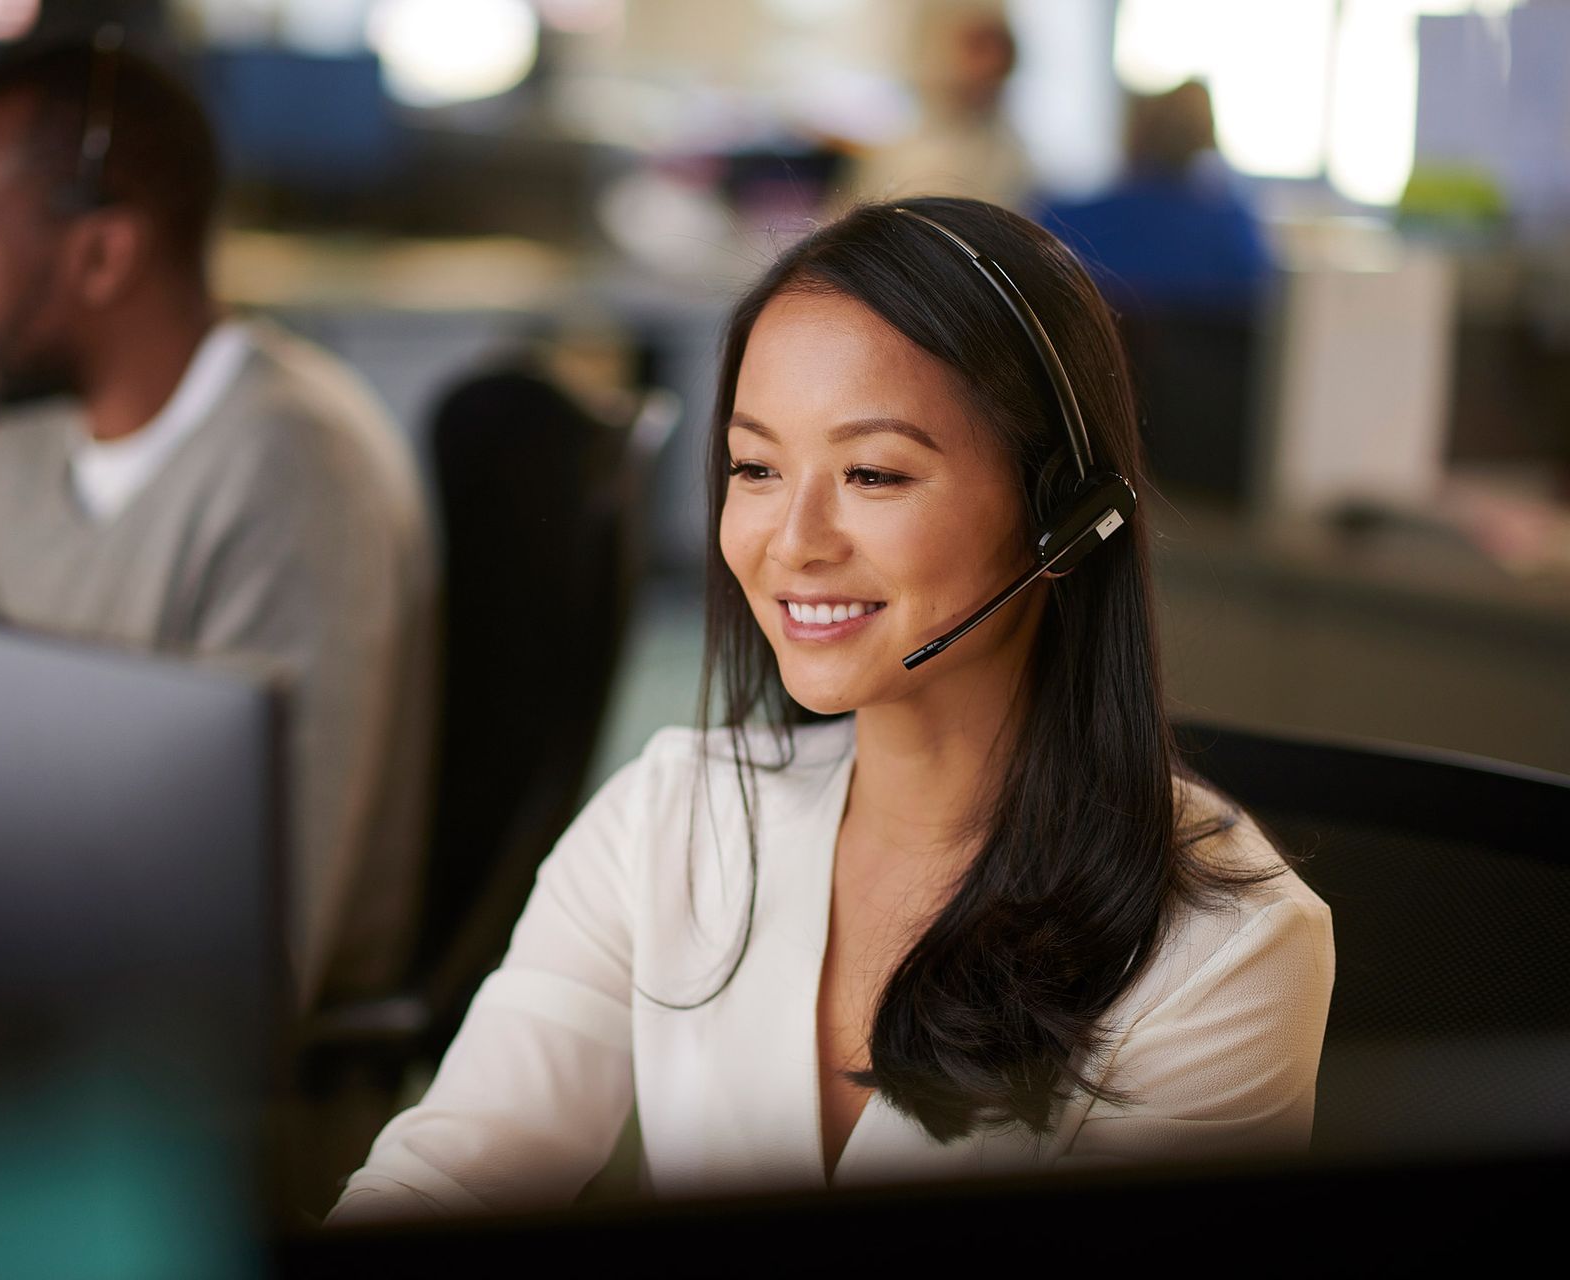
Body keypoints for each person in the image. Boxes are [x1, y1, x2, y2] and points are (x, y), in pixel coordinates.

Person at [329, 197, 1332, 1221]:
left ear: (1064, 514)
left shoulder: (1228, 950)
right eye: (755, 467)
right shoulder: (669, 816)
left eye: (872, 472)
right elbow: (445, 1172)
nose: (793, 539)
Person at [0, 36, 437, 1010]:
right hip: (31, 990)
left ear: (103, 252)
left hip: (206, 1087)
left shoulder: (294, 475)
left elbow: (261, 943)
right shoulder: (14, 457)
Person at [1038, 80, 1274, 311]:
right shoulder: (1230, 234)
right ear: (1206, 140)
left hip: (1091, 349)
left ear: (1132, 132)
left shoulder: (1065, 224)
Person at [845, 4, 1033, 210]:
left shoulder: (1009, 155)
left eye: (999, 48)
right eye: (977, 48)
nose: (991, 65)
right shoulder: (906, 157)